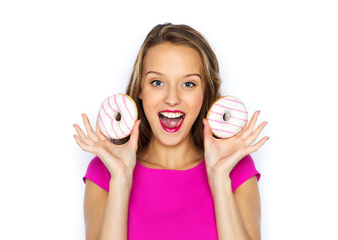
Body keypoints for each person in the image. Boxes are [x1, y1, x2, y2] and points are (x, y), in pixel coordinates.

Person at [73, 23, 269, 240]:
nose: (172, 99)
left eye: (188, 84)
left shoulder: (236, 168)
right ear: (140, 89)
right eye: (157, 82)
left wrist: (220, 177)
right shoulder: (105, 171)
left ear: (206, 92)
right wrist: (120, 178)